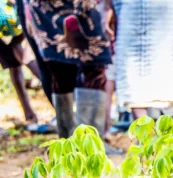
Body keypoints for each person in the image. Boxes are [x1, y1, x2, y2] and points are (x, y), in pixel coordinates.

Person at [108, 0, 173, 128]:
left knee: (136, 81)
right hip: (142, 11)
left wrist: (107, 9)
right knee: (136, 80)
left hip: (156, 10)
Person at [24, 0, 112, 139]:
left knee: (94, 64)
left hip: (83, 7)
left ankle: (89, 142)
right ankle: (70, 143)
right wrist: (27, 13)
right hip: (45, 8)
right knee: (59, 68)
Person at [0, 2, 40, 127]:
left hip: (15, 17)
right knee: (16, 61)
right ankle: (30, 115)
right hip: (13, 18)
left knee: (22, 57)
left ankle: (32, 115)